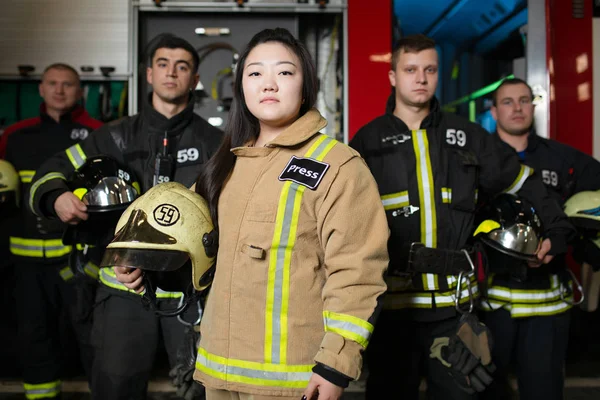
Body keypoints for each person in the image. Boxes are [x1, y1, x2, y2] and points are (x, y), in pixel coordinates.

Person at [117, 27, 390, 400]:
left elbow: (358, 275)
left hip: (292, 382)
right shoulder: (224, 164)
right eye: (255, 73)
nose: (269, 84)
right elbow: (191, 249)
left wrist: (335, 365)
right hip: (218, 374)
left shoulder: (337, 166)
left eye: (285, 72)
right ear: (242, 88)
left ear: (306, 86)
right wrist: (145, 267)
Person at [349, 34, 574, 400]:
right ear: (393, 77)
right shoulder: (366, 142)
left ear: (437, 75)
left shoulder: (467, 137)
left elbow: (525, 183)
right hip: (392, 315)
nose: (420, 78)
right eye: (410, 69)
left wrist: (557, 229)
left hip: (455, 314)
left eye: (429, 70)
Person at [29, 34, 223, 400]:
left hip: (193, 292)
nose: (171, 73)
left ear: (195, 79)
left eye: (182, 67)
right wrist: (57, 197)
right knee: (115, 388)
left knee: (200, 391)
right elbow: (50, 171)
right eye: (163, 64)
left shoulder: (216, 143)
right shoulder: (113, 137)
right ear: (149, 74)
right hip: (123, 293)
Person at [479, 77, 600, 400]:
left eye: (524, 100)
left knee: (544, 392)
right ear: (493, 111)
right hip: (492, 305)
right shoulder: (479, 159)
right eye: (507, 102)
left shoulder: (561, 159)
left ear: (533, 106)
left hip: (548, 305)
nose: (517, 108)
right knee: (489, 392)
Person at [2, 63, 103, 399]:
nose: (60, 90)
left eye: (68, 84)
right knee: (33, 334)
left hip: (79, 260)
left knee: (91, 334)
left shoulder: (97, 134)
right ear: (41, 89)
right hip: (25, 264)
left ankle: (103, 392)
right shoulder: (14, 136)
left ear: (80, 91)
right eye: (53, 84)